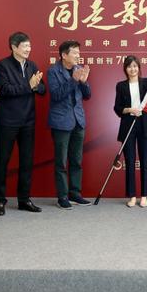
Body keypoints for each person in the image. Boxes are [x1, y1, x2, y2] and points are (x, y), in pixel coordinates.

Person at [0, 32, 46, 215]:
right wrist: (28, 86)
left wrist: (36, 86)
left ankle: (24, 199)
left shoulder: (32, 65)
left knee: (26, 162)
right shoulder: (2, 65)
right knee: (2, 162)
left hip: (28, 121)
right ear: (14, 47)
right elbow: (5, 90)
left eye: (29, 46)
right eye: (24, 46)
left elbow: (42, 89)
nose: (28, 49)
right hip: (8, 121)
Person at [47, 40, 91, 209]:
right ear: (64, 55)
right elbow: (56, 95)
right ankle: (62, 196)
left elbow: (87, 95)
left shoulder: (79, 69)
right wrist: (73, 80)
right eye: (75, 53)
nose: (78, 56)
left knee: (76, 161)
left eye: (79, 53)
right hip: (61, 122)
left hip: (78, 121)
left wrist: (84, 82)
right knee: (61, 162)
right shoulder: (53, 71)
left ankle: (75, 193)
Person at [114, 56, 147, 208]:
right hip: (128, 125)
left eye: (135, 66)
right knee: (130, 161)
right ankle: (132, 196)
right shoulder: (121, 86)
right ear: (125, 69)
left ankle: (144, 196)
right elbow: (117, 108)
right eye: (129, 66)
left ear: (139, 67)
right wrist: (129, 110)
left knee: (145, 161)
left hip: (145, 125)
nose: (132, 69)